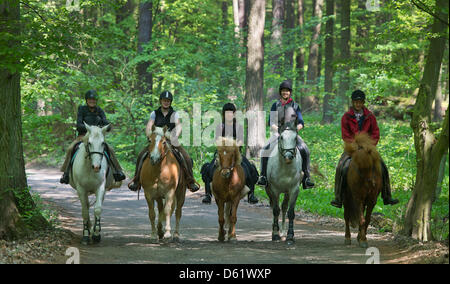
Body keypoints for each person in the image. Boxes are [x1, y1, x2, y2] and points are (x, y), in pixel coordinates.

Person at [330, 89, 399, 208]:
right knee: (341, 166)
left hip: (368, 148)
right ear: (353, 102)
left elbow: (375, 133)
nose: (358, 104)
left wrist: (370, 145)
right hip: (352, 148)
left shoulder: (370, 116)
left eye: (360, 102)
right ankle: (338, 197)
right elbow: (345, 134)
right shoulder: (346, 117)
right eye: (356, 102)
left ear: (363, 103)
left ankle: (387, 195)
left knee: (382, 167)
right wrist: (354, 145)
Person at [127, 91, 200, 193]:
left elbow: (178, 126)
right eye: (164, 100)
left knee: (185, 156)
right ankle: (137, 180)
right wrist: (149, 135)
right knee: (141, 155)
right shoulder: (154, 113)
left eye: (168, 101)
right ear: (161, 101)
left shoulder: (174, 114)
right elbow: (149, 126)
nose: (166, 102)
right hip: (156, 140)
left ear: (170, 102)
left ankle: (190, 180)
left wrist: (175, 136)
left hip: (170, 140)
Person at [256, 80, 315, 189]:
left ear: (290, 92)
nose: (285, 93)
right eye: (283, 91)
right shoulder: (275, 105)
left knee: (305, 149)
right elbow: (271, 122)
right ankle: (263, 176)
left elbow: (301, 123)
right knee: (265, 149)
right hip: (278, 133)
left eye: (287, 91)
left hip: (292, 134)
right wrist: (279, 130)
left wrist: (295, 130)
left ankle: (306, 178)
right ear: (280, 92)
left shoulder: (296, 106)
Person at [59, 90, 126, 184]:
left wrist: (107, 125)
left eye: (94, 100)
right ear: (86, 100)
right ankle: (66, 173)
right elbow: (79, 124)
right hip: (83, 136)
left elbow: (105, 121)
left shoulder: (100, 110)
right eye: (90, 99)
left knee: (110, 149)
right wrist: (91, 129)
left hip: (97, 138)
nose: (92, 101)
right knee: (71, 148)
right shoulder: (82, 109)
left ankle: (117, 171)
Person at [201, 103, 259, 204]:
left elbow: (240, 141)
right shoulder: (220, 126)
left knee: (249, 168)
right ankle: (208, 194)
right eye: (227, 112)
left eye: (231, 112)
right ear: (224, 114)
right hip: (222, 153)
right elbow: (217, 140)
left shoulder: (238, 126)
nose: (229, 114)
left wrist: (233, 147)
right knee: (209, 168)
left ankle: (251, 195)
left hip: (235, 153)